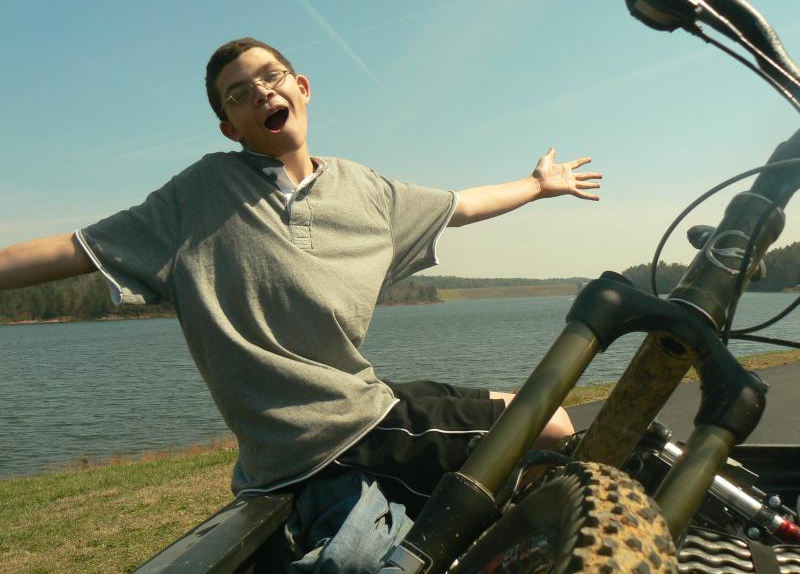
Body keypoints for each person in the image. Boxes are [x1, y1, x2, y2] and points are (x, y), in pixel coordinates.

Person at [0, 38, 600, 527]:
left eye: (270, 76)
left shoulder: (364, 189)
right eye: (238, 95)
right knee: (551, 431)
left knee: (531, 407)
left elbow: (460, 204)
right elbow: (71, 248)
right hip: (319, 440)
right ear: (231, 128)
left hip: (362, 400)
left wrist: (538, 185)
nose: (260, 91)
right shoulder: (195, 198)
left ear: (302, 87)